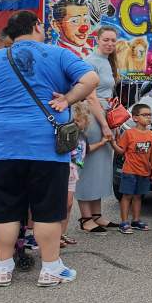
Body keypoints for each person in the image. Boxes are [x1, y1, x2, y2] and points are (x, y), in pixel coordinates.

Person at [0, 10, 99, 287]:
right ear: (38, 26)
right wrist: (67, 99)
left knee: (5, 209)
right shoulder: (58, 54)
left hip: (4, 146)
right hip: (47, 146)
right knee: (47, 210)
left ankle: (2, 267)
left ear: (11, 33)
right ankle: (50, 268)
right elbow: (90, 80)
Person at [76, 27, 120, 232]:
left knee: (101, 168)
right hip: (92, 115)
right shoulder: (90, 62)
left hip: (104, 112)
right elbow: (91, 97)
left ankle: (97, 214)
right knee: (88, 166)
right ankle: (85, 218)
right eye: (106, 40)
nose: (110, 44)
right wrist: (104, 124)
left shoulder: (107, 61)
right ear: (97, 39)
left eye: (113, 40)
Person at [112, 103, 152, 234]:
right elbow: (121, 151)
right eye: (145, 115)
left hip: (144, 171)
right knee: (127, 196)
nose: (149, 117)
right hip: (130, 171)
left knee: (138, 196)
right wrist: (112, 143)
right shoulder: (129, 133)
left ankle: (136, 220)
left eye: (150, 115)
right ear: (135, 118)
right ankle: (124, 222)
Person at [61, 102, 91, 247]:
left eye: (78, 120)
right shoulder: (67, 133)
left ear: (85, 122)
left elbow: (87, 151)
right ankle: (56, 235)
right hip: (64, 170)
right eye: (73, 120)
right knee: (61, 204)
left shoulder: (83, 136)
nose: (75, 123)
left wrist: (104, 141)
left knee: (68, 204)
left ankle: (62, 233)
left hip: (74, 172)